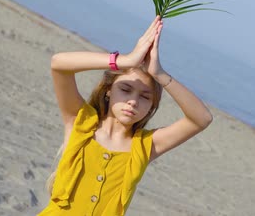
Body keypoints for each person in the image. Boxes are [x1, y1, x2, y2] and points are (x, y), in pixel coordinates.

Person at [37, 16, 213, 215]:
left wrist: (159, 73)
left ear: (152, 106)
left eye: (145, 97)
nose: (133, 101)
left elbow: (202, 118)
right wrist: (126, 60)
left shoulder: (145, 146)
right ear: (108, 90)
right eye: (126, 89)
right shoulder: (80, 121)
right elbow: (58, 64)